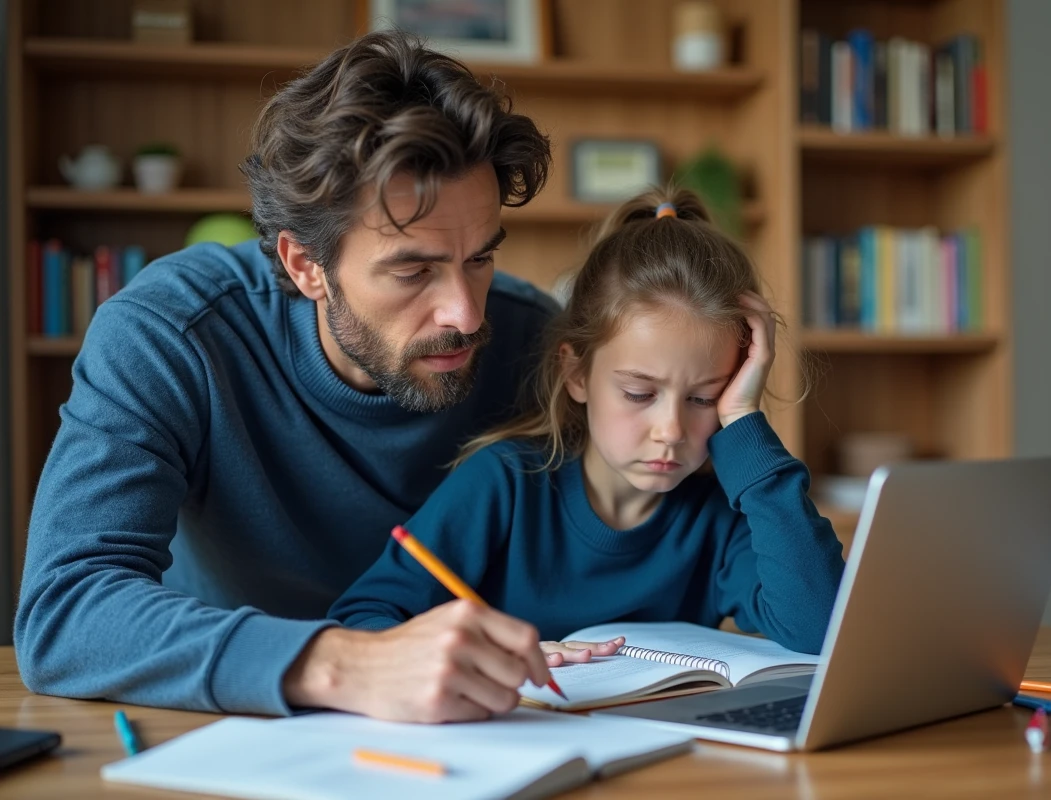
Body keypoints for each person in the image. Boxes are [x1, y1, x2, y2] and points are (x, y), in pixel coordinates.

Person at [14, 30, 566, 722]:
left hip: (479, 729)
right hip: (223, 728)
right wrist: (346, 664)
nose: (463, 311)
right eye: (413, 269)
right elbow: (64, 612)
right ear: (306, 265)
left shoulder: (534, 339)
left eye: (480, 259)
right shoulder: (171, 334)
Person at [329, 187, 846, 676]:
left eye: (705, 398)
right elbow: (364, 617)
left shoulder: (720, 517)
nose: (670, 430)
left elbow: (821, 626)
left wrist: (745, 422)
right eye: (639, 394)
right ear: (577, 374)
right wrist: (470, 653)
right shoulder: (506, 484)